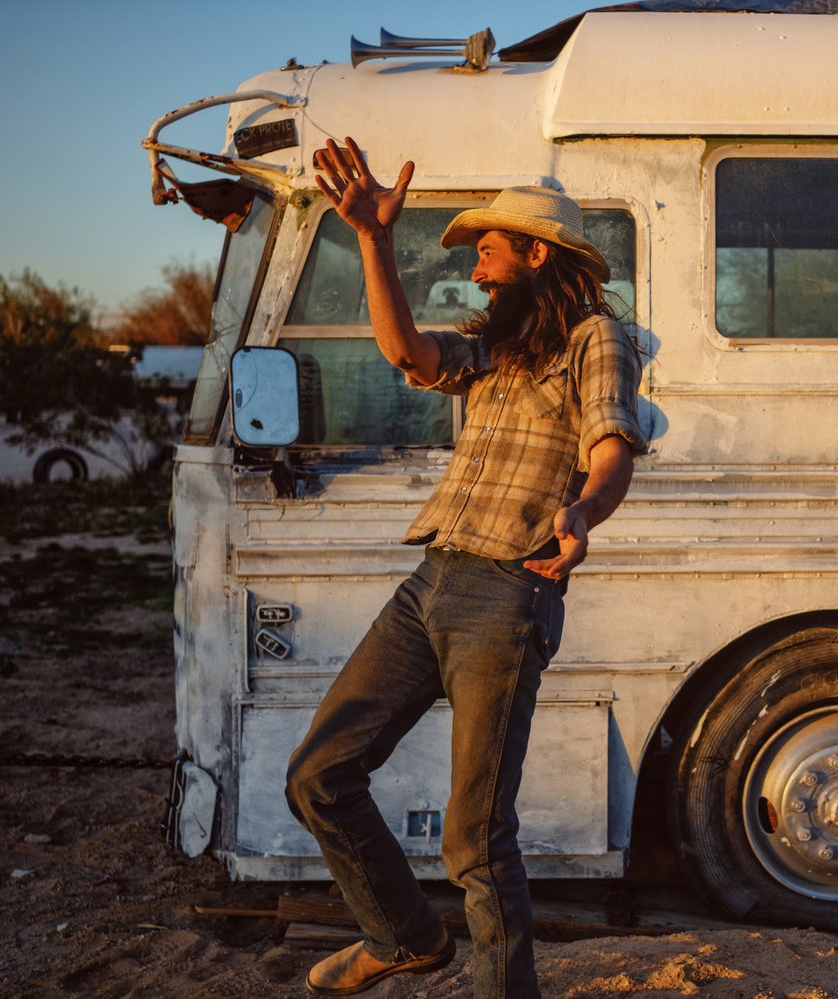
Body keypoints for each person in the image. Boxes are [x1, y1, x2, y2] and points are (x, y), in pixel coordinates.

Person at [285, 137, 647, 998]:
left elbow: (611, 445)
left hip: (508, 591)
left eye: (489, 248)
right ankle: (406, 936)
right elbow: (408, 354)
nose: (476, 267)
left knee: (475, 838)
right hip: (434, 580)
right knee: (320, 774)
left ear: (537, 254)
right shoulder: (493, 348)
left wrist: (583, 510)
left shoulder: (598, 337)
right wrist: (373, 238)